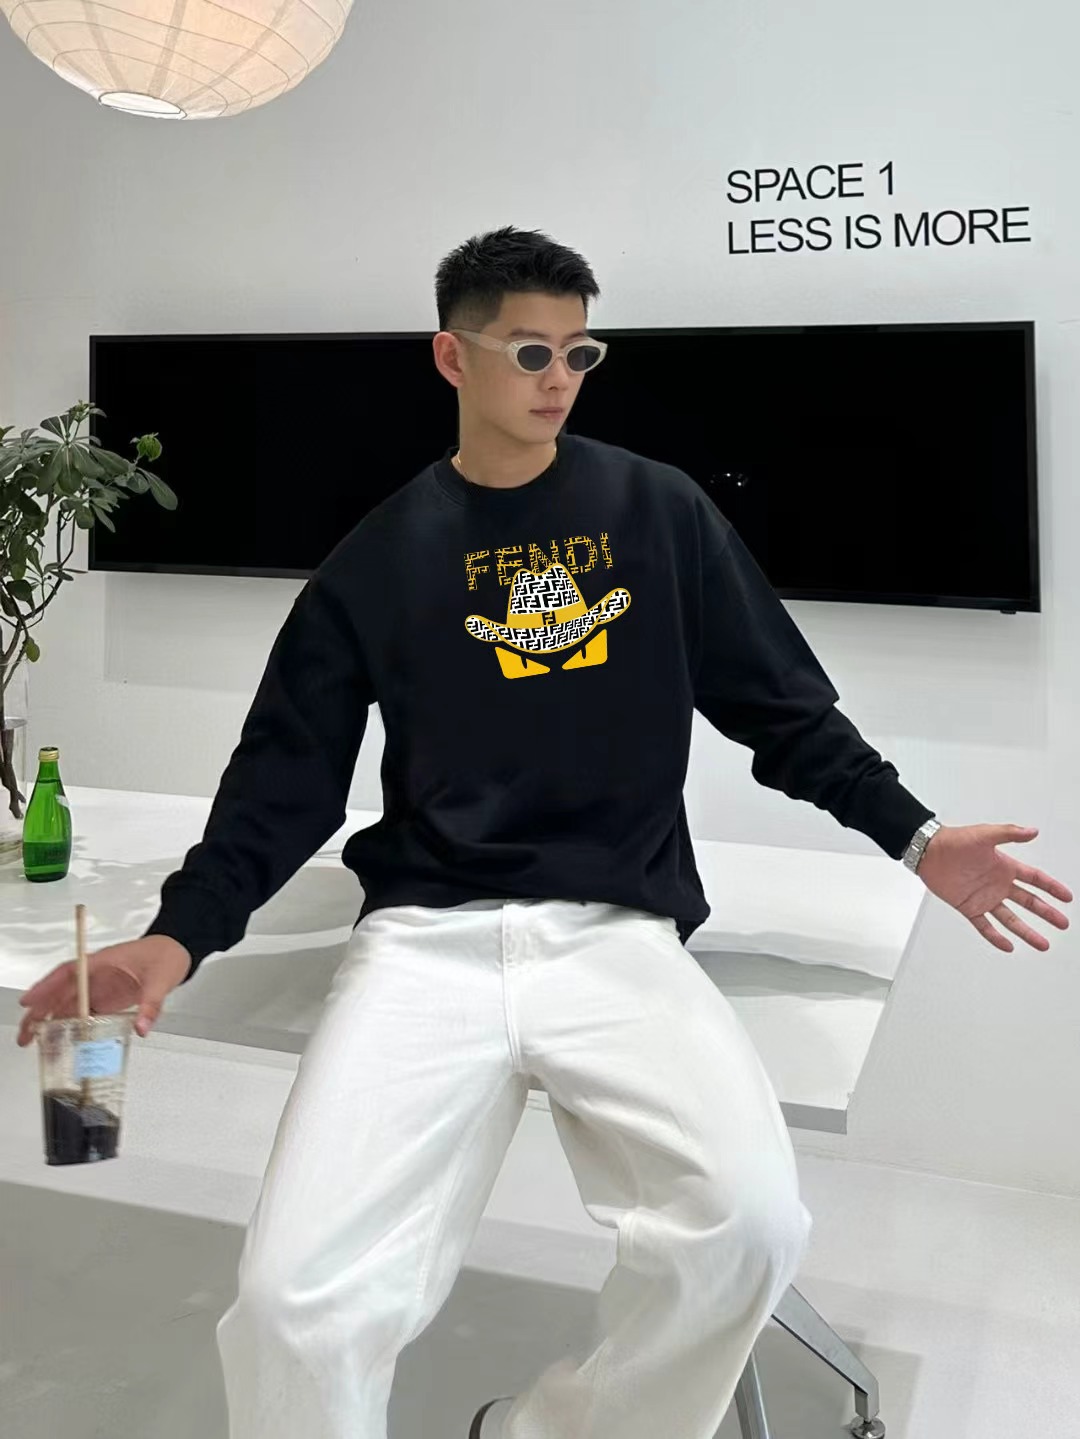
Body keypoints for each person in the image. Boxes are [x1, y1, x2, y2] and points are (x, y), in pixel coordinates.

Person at [16, 226, 1072, 1439]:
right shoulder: (378, 557)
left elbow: (783, 711)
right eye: (530, 350)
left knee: (748, 1229)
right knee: (292, 1302)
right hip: (424, 943)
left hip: (617, 933)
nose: (559, 377)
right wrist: (176, 937)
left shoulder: (658, 512)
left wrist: (918, 836)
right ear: (451, 356)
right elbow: (282, 785)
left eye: (580, 351)